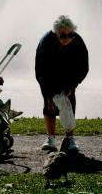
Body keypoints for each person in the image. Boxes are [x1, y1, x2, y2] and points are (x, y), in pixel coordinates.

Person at [35, 15, 89, 151]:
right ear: (55, 34)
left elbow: (83, 67)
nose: (67, 38)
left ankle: (69, 139)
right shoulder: (46, 43)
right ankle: (51, 138)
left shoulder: (77, 41)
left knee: (69, 104)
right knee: (49, 107)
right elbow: (41, 72)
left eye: (70, 34)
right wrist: (48, 96)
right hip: (49, 77)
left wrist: (73, 85)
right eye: (63, 36)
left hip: (69, 77)